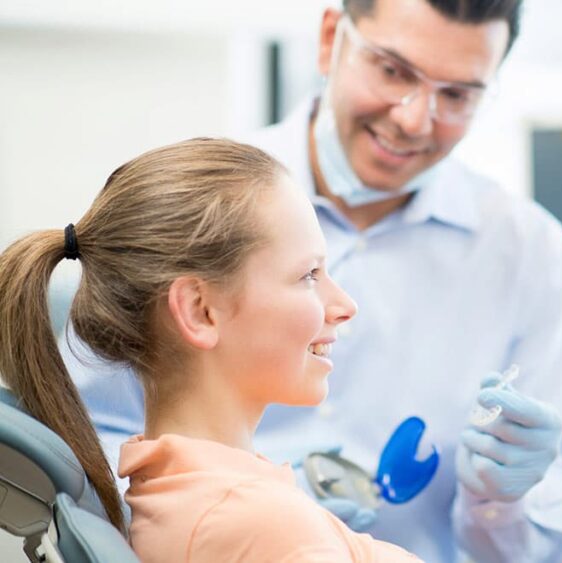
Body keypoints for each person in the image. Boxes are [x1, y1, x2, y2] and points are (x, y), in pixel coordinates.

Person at [69, 0, 562, 561]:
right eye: (393, 71)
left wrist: (499, 503)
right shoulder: (204, 203)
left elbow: (531, 539)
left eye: (456, 95)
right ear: (330, 38)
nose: (414, 119)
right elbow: (77, 455)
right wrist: (252, 518)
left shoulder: (527, 250)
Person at [0, 138, 420, 561]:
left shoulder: (192, 494)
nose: (346, 306)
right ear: (199, 310)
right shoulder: (258, 523)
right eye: (308, 274)